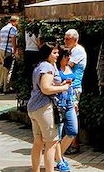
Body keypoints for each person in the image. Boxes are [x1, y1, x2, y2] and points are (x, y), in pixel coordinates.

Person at [27, 43, 71, 172]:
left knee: (38, 142)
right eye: (54, 53)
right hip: (44, 108)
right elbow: (46, 88)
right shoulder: (47, 67)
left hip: (34, 107)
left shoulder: (39, 65)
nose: (57, 55)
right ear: (47, 53)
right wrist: (63, 87)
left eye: (57, 52)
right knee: (51, 143)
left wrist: (59, 85)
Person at [63, 29, 86, 154]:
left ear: (75, 39)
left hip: (74, 87)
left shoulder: (78, 51)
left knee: (73, 114)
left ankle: (74, 145)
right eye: (65, 38)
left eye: (68, 38)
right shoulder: (72, 50)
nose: (65, 41)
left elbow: (68, 66)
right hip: (69, 86)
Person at [54, 48, 78, 170]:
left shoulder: (69, 68)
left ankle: (59, 155)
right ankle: (59, 160)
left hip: (69, 102)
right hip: (59, 103)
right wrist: (62, 84)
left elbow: (72, 86)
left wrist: (74, 100)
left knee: (73, 130)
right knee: (57, 134)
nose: (68, 58)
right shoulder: (54, 69)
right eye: (66, 56)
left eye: (69, 56)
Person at [0, 16, 19, 92]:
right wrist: (15, 50)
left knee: (4, 68)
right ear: (14, 21)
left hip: (2, 49)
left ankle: (0, 86)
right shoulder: (13, 29)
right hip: (8, 50)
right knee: (7, 69)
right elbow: (13, 40)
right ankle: (5, 88)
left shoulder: (3, 28)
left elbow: (1, 40)